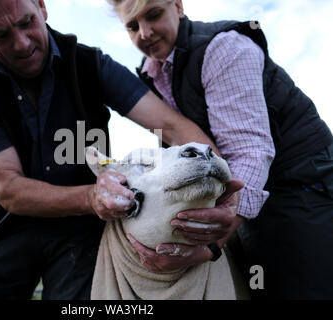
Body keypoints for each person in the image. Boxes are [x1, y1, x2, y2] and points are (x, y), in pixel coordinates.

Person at [0, 0, 243, 299]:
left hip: (83, 230)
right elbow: (8, 188)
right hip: (6, 226)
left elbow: (171, 126)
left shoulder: (90, 63)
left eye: (27, 23)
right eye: (0, 34)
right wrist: (93, 196)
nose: (22, 44)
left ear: (41, 7)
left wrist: (222, 192)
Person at [106, 0, 333, 299]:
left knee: (304, 287)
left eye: (154, 15)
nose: (145, 33)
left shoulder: (224, 48)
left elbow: (249, 149)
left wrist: (212, 243)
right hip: (244, 197)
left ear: (178, 6)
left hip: (299, 186)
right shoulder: (153, 75)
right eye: (133, 26)